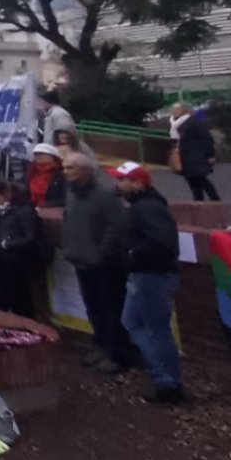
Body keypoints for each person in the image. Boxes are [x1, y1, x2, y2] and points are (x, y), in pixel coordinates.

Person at [111, 162, 186, 403]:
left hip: (152, 276)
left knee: (155, 329)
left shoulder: (146, 208)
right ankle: (162, 373)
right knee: (132, 321)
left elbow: (161, 242)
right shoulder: (143, 206)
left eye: (122, 180)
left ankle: (167, 382)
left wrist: (133, 254)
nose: (117, 184)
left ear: (138, 183)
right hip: (144, 275)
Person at [61, 153, 132, 374]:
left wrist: (102, 253)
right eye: (65, 167)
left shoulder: (105, 196)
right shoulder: (71, 194)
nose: (66, 171)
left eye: (71, 167)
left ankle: (118, 353)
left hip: (106, 265)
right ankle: (100, 344)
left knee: (112, 308)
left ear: (86, 171)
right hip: (82, 261)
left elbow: (116, 228)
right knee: (94, 308)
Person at [0, 181, 41, 318]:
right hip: (5, 259)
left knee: (19, 299)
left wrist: (7, 243)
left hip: (17, 261)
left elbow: (31, 237)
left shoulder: (23, 211)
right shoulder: (7, 210)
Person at [170, 103, 219, 202]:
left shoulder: (193, 122)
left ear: (184, 110)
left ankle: (215, 202)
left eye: (177, 109)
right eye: (173, 109)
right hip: (184, 157)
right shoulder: (174, 125)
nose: (173, 111)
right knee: (192, 181)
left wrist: (210, 154)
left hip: (195, 156)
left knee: (201, 179)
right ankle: (199, 203)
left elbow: (207, 138)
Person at [27, 143, 67, 207]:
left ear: (53, 157)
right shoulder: (31, 172)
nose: (39, 156)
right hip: (30, 210)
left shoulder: (62, 174)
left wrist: (45, 205)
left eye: (42, 154)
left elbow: (66, 198)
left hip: (52, 211)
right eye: (36, 154)